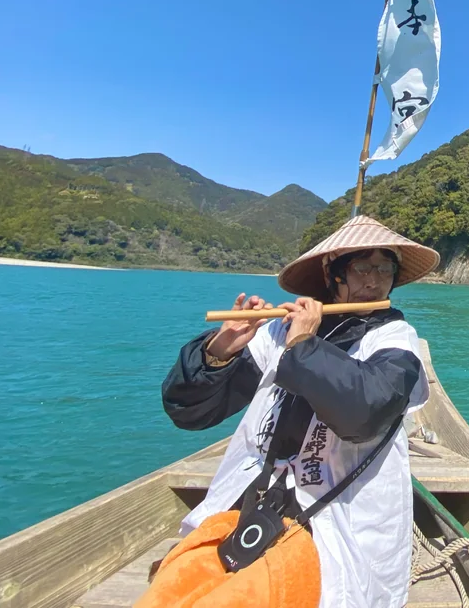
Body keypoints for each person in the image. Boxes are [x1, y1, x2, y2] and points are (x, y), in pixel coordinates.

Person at [160, 215, 440, 608]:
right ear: (332, 274)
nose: (374, 281)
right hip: (249, 503)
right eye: (362, 268)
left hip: (336, 521)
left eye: (384, 268)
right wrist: (219, 353)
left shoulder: (395, 339)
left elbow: (366, 412)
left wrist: (304, 347)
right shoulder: (279, 331)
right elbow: (189, 412)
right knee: (179, 586)